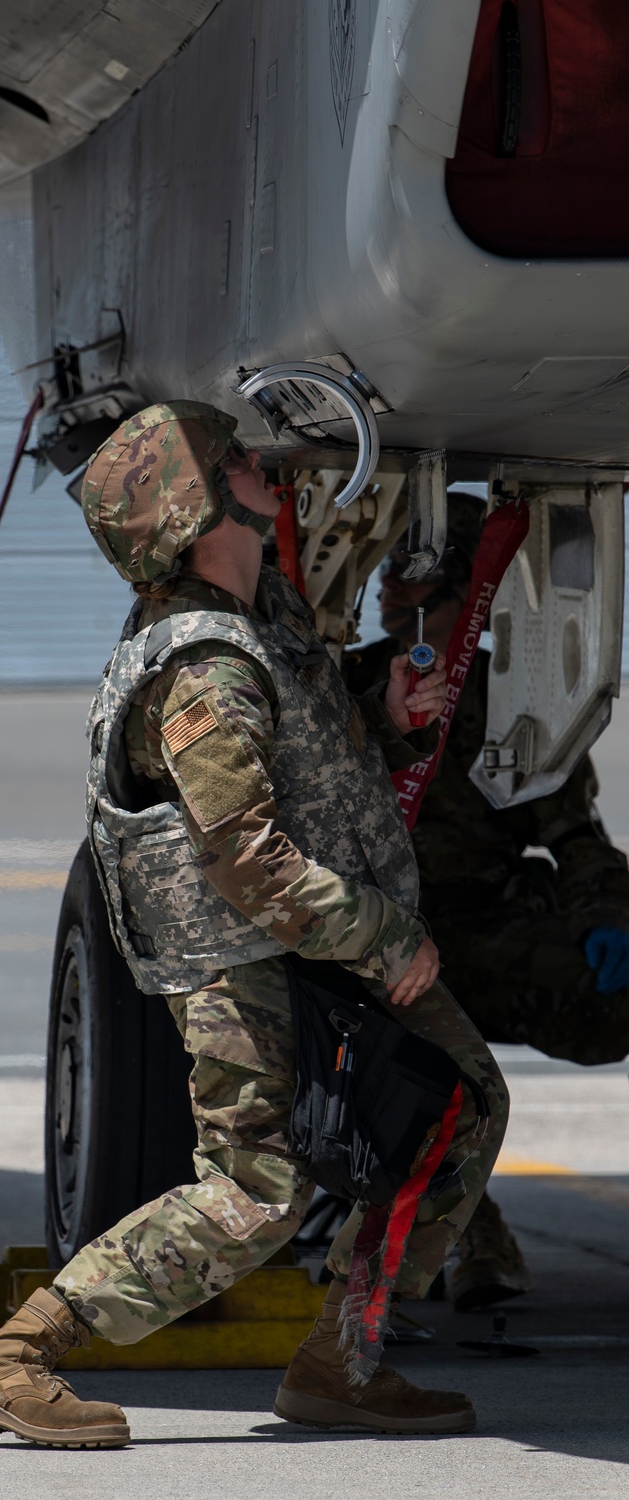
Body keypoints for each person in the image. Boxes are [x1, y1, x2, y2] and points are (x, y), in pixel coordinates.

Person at [0, 403, 508, 1448]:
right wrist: (385, 940)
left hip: (316, 945)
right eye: (234, 460)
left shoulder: (264, 621)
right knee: (255, 1192)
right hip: (251, 963)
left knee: (460, 1107)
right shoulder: (203, 666)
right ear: (198, 507)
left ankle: (342, 1361)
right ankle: (13, 1357)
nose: (260, 463)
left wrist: (385, 712)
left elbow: (307, 764)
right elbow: (244, 860)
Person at [344, 492, 629, 1311]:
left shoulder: (517, 702)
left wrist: (606, 920)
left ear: (463, 588)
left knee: (608, 1002)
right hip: (372, 933)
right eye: (391, 566)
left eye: (412, 570)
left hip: (479, 926)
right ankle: (472, 1230)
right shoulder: (355, 685)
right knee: (412, 1064)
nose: (389, 584)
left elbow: (576, 836)